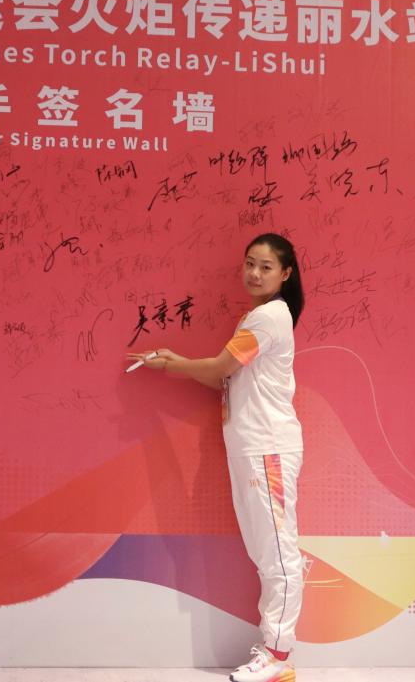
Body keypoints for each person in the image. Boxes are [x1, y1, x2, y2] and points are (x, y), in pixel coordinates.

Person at [126, 232, 305, 682]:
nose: (254, 273)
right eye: (250, 263)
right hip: (250, 447)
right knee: (265, 551)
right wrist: (178, 362)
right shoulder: (255, 318)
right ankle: (273, 652)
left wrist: (172, 365)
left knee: (278, 553)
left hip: (268, 447)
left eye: (266, 267)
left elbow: (221, 367)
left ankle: (278, 657)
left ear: (285, 274)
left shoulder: (269, 317)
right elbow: (224, 377)